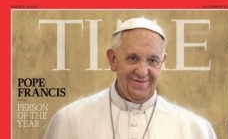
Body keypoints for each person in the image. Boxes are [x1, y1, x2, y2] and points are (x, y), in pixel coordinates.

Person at [42, 17, 217, 139]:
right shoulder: (70, 120)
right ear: (113, 59)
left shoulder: (196, 129)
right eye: (132, 58)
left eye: (152, 60)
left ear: (162, 62)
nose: (142, 71)